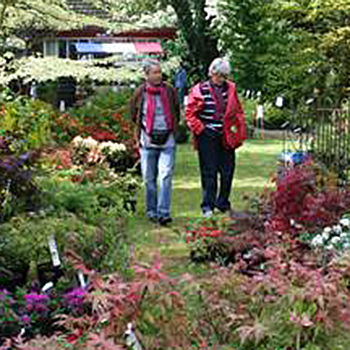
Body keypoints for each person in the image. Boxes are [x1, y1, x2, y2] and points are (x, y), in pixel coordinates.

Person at [186, 58, 246, 217]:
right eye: (218, 75)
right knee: (209, 172)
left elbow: (238, 111)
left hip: (226, 136)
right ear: (211, 73)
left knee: (228, 172)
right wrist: (201, 129)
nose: (221, 79)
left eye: (224, 76)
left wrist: (238, 130)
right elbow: (190, 114)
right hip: (207, 136)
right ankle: (207, 206)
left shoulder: (231, 89)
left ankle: (223, 203)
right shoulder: (199, 89)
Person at [130, 59, 180, 225]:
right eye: (155, 72)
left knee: (165, 175)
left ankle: (163, 212)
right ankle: (151, 211)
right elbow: (133, 115)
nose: (159, 75)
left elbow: (176, 111)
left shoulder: (170, 90)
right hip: (147, 140)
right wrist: (139, 136)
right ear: (146, 75)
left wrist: (173, 129)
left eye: (160, 72)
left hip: (168, 140)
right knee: (149, 179)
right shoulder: (140, 92)